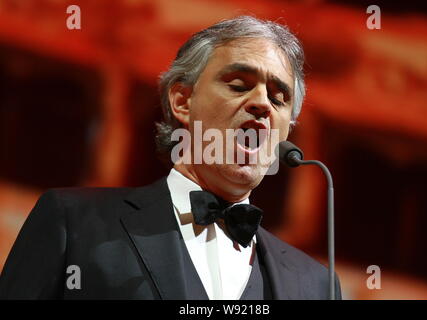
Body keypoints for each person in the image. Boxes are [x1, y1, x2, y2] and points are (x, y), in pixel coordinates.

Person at [0, 16, 341, 300]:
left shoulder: (317, 286)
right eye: (238, 85)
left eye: (279, 99)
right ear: (182, 101)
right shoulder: (74, 224)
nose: (262, 103)